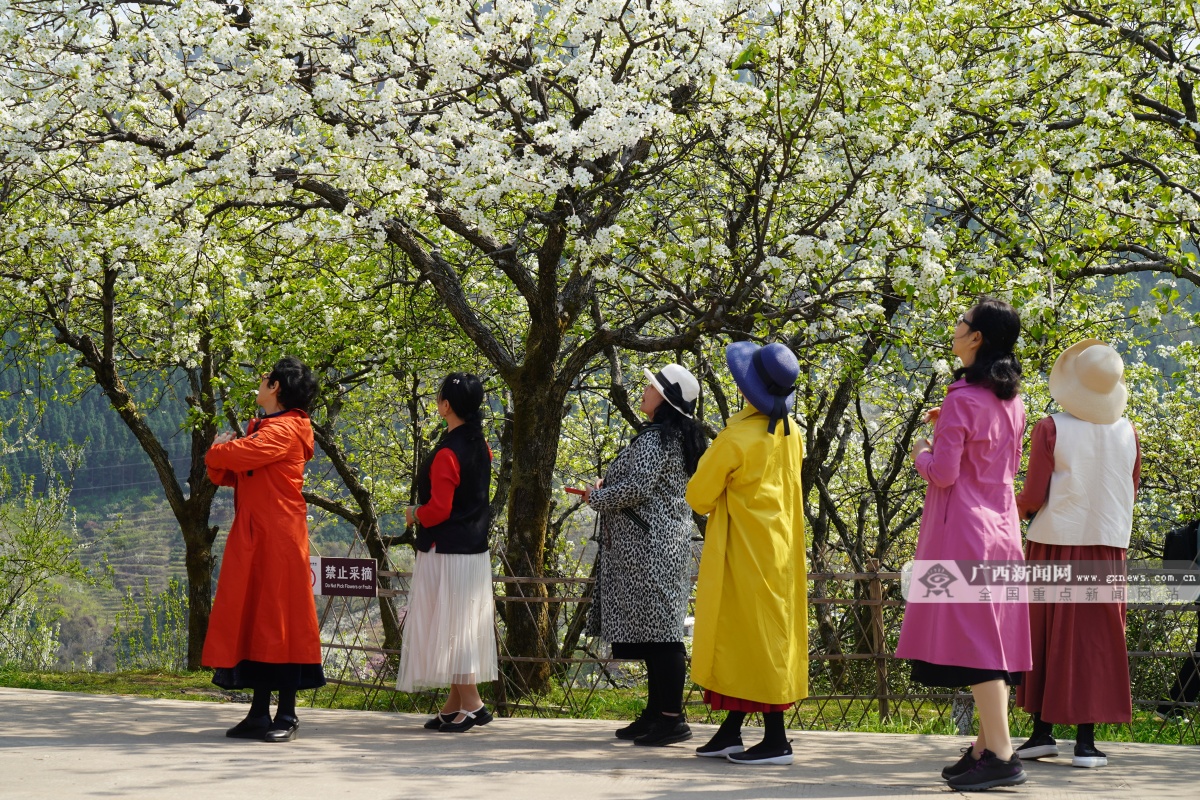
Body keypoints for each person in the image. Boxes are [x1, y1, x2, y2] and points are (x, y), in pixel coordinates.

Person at [895, 299, 1031, 790]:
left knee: (978, 648)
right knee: (991, 638)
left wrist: (922, 452)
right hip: (1002, 529)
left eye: (961, 325)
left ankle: (1002, 755)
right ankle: (983, 748)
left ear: (976, 339)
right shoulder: (1010, 398)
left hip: (964, 534)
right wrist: (946, 424)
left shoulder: (962, 398)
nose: (954, 330)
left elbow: (945, 473)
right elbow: (998, 460)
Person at [1014, 340, 1141, 768]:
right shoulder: (1129, 432)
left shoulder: (1050, 428)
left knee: (1047, 632)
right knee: (1098, 639)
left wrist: (1004, 509)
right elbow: (1130, 488)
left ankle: (1041, 733)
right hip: (1108, 546)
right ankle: (1086, 743)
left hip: (1055, 542)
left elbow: (1032, 495)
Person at [685, 342, 808, 766]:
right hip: (781, 549)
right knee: (754, 637)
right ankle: (731, 732)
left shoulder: (735, 438)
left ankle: (777, 739)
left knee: (750, 639)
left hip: (741, 553)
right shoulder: (793, 434)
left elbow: (698, 497)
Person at [583, 364, 708, 747]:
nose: (645, 389)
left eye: (651, 386)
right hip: (655, 548)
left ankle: (671, 719)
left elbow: (636, 487)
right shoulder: (666, 439)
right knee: (657, 634)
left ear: (665, 399)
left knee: (664, 638)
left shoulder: (656, 441)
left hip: (650, 551)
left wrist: (597, 496)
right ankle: (658, 713)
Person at [203, 356, 326, 743]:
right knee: (259, 620)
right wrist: (223, 455)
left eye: (265, 378)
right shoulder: (269, 428)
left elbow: (229, 458)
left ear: (276, 388)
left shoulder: (284, 429)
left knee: (280, 621)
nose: (260, 381)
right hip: (260, 536)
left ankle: (286, 714)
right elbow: (225, 470)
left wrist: (219, 450)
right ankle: (259, 713)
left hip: (277, 539)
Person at [396, 372, 498, 732]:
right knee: (461, 625)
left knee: (451, 626)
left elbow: (438, 508)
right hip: (473, 550)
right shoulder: (481, 445)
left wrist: (414, 514)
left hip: (446, 550)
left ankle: (473, 704)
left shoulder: (447, 453)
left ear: (446, 406)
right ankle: (455, 705)